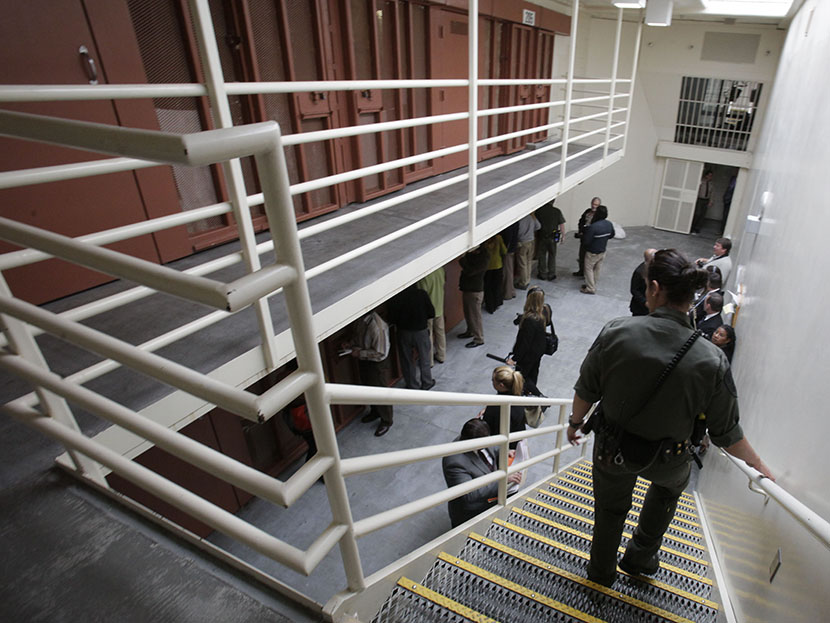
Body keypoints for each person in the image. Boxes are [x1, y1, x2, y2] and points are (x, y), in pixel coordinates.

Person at [567, 248, 773, 588]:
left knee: (609, 511)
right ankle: (639, 556)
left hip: (612, 450)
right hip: (669, 459)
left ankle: (600, 574)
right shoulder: (711, 359)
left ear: (654, 288)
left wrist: (576, 424)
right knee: (667, 492)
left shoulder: (616, 332)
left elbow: (586, 390)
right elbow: (726, 432)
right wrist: (759, 468)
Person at [442, 418, 522, 528]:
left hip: (491, 499)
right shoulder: (454, 461)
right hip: (473, 512)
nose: (488, 444)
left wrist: (505, 452)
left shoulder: (481, 437)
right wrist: (503, 479)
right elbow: (470, 494)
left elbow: (494, 448)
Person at [347, 311, 394, 437]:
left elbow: (381, 353)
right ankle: (375, 411)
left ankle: (387, 420)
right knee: (368, 388)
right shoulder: (361, 321)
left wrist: (360, 353)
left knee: (381, 391)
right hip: (365, 360)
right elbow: (358, 336)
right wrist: (351, 344)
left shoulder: (378, 327)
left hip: (376, 363)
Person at [388, 283, 436, 391]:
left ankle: (412, 385)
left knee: (407, 360)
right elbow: (431, 312)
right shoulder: (421, 294)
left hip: (403, 332)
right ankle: (427, 382)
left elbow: (391, 318)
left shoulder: (396, 298)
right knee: (424, 358)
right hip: (421, 331)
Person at [507, 287, 549, 386]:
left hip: (528, 355)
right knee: (533, 374)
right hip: (539, 349)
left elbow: (525, 343)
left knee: (521, 378)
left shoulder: (529, 320)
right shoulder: (545, 310)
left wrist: (514, 358)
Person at [479, 366, 528, 450]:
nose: (492, 382)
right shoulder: (517, 392)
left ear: (501, 385)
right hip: (517, 436)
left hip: (505, 446)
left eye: (493, 380)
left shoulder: (498, 407)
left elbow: (495, 432)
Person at [458, 245, 491, 348]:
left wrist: (462, 259)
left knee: (475, 316)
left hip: (474, 291)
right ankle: (470, 331)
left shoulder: (483, 259)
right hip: (469, 289)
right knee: (468, 313)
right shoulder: (479, 255)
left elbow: (470, 271)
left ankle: (479, 338)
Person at [580, 205, 615, 295]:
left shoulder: (593, 227)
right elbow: (611, 235)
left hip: (592, 251)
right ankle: (592, 284)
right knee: (597, 268)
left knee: (588, 269)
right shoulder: (609, 224)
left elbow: (586, 241)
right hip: (602, 250)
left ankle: (590, 288)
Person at [417, 267, 446, 365]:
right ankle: (441, 355)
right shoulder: (440, 269)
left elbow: (421, 295)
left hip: (428, 311)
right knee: (440, 332)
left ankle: (430, 361)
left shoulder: (423, 276)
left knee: (428, 335)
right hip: (439, 306)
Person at [535, 200, 566, 281]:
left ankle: (542, 274)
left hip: (542, 236)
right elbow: (561, 224)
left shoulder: (539, 211)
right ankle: (551, 274)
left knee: (542, 255)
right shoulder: (557, 211)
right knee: (552, 255)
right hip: (553, 237)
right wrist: (563, 236)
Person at [574, 196, 601, 276]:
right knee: (581, 255)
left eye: (596, 205)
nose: (594, 206)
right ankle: (581, 271)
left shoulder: (599, 216)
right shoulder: (587, 212)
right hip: (584, 238)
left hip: (592, 240)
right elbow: (581, 221)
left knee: (589, 259)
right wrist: (581, 231)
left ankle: (588, 274)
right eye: (593, 204)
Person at [514, 214, 540, 290]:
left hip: (522, 242)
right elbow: (538, 226)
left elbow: (517, 232)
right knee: (529, 261)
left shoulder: (519, 220)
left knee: (522, 263)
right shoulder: (531, 217)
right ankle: (527, 279)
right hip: (531, 241)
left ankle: (523, 282)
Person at [483, 234, 507, 314]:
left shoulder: (484, 240)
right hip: (497, 265)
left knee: (488, 287)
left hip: (487, 267)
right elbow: (504, 250)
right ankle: (497, 302)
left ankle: (490, 306)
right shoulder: (498, 238)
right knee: (497, 286)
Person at [629, 248, 656, 316]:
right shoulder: (639, 272)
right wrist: (645, 302)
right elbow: (634, 290)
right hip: (640, 308)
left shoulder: (655, 268)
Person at [500, 222, 519, 301]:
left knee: (507, 272)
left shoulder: (509, 224)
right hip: (512, 249)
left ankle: (507, 293)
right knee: (509, 271)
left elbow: (508, 237)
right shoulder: (515, 222)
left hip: (508, 251)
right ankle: (511, 291)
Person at [691, 169, 713, 234]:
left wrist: (711, 201)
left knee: (702, 215)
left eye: (711, 176)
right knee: (697, 214)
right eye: (709, 175)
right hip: (700, 199)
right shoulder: (701, 182)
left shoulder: (711, 184)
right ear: (706, 175)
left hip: (706, 200)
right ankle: (692, 227)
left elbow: (712, 193)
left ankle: (697, 228)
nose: (710, 177)